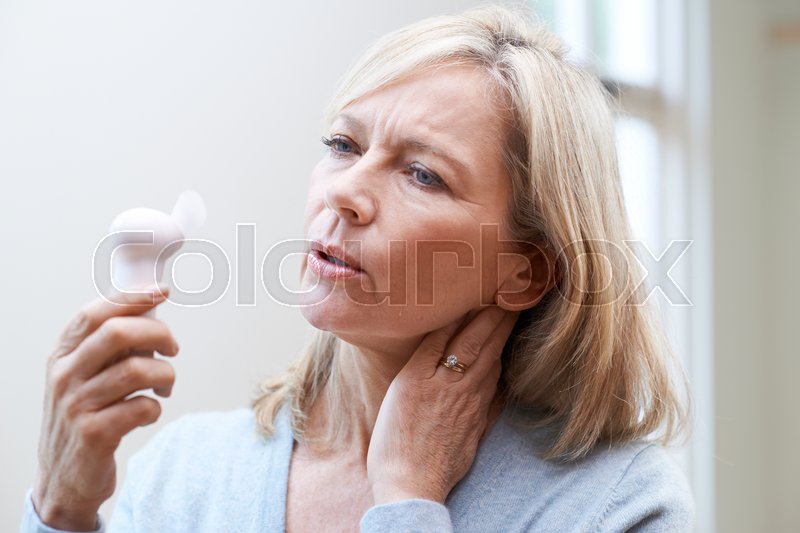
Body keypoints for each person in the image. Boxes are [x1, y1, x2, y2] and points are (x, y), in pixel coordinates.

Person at [21, 5, 694, 532]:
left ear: (524, 271)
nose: (344, 190)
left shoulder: (612, 504)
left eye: (423, 174)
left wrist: (408, 501)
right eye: (344, 143)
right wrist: (62, 504)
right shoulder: (183, 475)